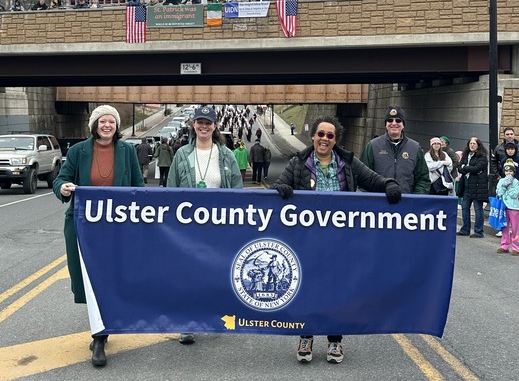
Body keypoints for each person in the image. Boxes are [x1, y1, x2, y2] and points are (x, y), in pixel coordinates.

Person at [272, 116, 402, 364]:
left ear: (335, 140)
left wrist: (390, 184)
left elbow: (373, 179)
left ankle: (334, 341)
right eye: (321, 134)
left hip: (342, 241)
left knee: (338, 292)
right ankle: (306, 336)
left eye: (330, 136)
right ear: (313, 136)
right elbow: (278, 187)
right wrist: (282, 189)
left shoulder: (348, 163)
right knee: (307, 289)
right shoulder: (298, 163)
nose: (324, 139)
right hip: (307, 240)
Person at [53, 105, 144, 367]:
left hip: (117, 225)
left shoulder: (126, 151)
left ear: (117, 126)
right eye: (102, 121)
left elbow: (138, 186)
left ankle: (102, 331)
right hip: (84, 226)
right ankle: (100, 334)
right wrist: (65, 188)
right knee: (90, 278)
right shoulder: (77, 151)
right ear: (94, 125)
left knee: (112, 276)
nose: (107, 125)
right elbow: (60, 180)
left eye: (111, 122)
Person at [167, 105, 243, 344]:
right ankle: (186, 323)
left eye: (208, 122)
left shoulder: (226, 155)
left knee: (216, 272)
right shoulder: (181, 154)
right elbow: (171, 190)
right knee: (186, 274)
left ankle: (214, 317)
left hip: (219, 226)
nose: (203, 126)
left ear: (215, 126)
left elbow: (238, 191)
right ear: (193, 124)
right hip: (188, 226)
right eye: (200, 122)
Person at [360, 106, 430, 194]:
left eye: (398, 120)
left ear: (403, 124)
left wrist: (416, 199)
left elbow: (423, 179)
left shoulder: (415, 148)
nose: (394, 123)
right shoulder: (372, 146)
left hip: (406, 203)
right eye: (390, 120)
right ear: (386, 124)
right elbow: (362, 177)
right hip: (379, 203)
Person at [456, 137, 489, 238]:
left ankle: (478, 231)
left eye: (474, 143)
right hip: (466, 185)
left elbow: (477, 168)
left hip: (478, 186)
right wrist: (466, 168)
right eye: (470, 143)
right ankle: (465, 229)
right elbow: (459, 167)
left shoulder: (482, 157)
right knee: (465, 207)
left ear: (478, 145)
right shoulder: (466, 155)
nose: (472, 145)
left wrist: (465, 168)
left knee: (478, 209)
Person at [496, 159, 519, 255]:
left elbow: (514, 194)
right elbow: (499, 192)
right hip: (503, 207)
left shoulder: (516, 182)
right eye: (507, 171)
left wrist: (508, 187)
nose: (508, 173)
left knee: (515, 228)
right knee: (504, 227)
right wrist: (503, 186)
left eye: (510, 171)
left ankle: (517, 247)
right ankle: (504, 245)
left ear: (513, 172)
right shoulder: (501, 181)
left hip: (513, 207)